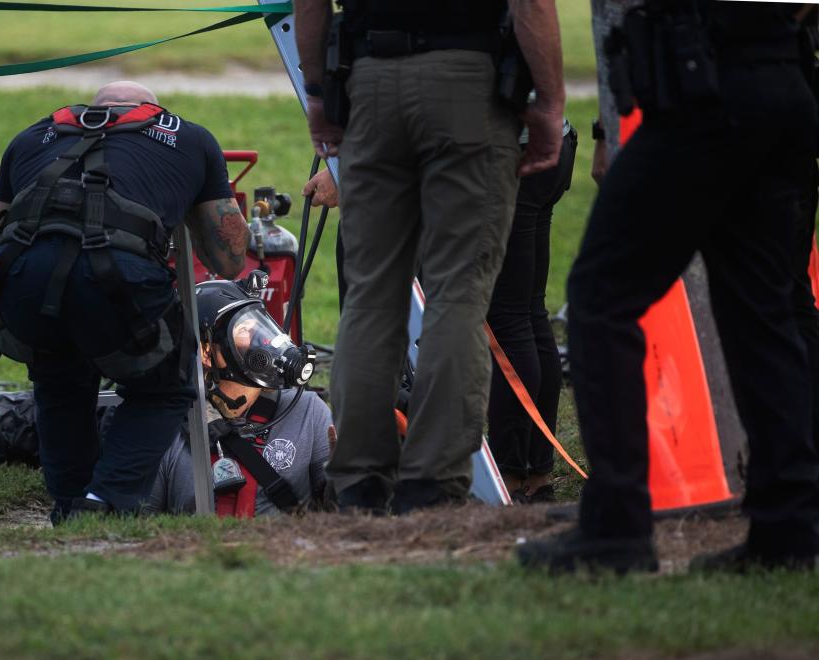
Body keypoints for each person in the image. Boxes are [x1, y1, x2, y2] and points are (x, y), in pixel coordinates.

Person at [518, 1, 819, 573]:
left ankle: (616, 528)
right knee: (764, 312)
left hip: (703, 77)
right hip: (783, 72)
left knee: (601, 297)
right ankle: (788, 531)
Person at [295, 0, 565, 514]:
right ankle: (431, 483)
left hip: (369, 77)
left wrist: (316, 91)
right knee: (458, 293)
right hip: (468, 78)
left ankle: (358, 481)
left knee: (371, 294)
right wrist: (549, 103)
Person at [0, 81, 250, 524]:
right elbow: (230, 258)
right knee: (164, 388)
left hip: (23, 284)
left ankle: (69, 508)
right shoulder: (190, 138)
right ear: (153, 111)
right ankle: (107, 500)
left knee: (59, 383)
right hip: (118, 280)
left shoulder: (31, 136)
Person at [146, 274, 333, 516]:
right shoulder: (168, 427)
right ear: (205, 351)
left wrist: (344, 475)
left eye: (261, 325)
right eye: (244, 329)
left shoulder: (308, 411)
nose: (263, 340)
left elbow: (342, 514)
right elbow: (143, 526)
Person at [487, 119, 576, 503]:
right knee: (527, 312)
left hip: (512, 155)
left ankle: (512, 477)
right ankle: (536, 474)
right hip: (551, 143)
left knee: (508, 320)